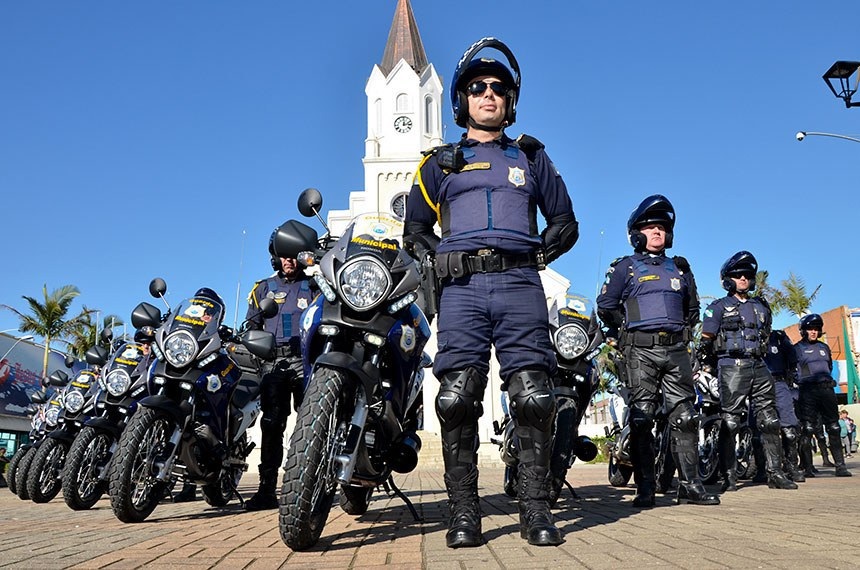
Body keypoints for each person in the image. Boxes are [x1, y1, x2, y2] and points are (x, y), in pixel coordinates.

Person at [403, 38, 578, 548]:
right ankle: (463, 514)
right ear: (462, 100)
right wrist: (439, 259)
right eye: (477, 87)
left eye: (498, 88)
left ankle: (536, 510)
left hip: (520, 286)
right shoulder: (438, 164)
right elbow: (415, 230)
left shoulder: (531, 157)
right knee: (456, 399)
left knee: (534, 397)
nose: (488, 94)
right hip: (462, 291)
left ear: (510, 100)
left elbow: (565, 222)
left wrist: (536, 255)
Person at [597, 194, 719, 508]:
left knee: (685, 418)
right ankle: (646, 489)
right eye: (650, 227)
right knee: (641, 418)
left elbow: (693, 309)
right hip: (640, 352)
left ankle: (690, 486)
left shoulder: (680, 268)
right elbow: (606, 306)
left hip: (676, 351)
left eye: (662, 228)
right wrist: (623, 334)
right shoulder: (625, 267)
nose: (656, 232)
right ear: (636, 233)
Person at [698, 252, 796, 492]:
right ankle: (728, 476)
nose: (743, 278)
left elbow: (766, 334)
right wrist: (707, 367)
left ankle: (775, 473)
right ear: (727, 279)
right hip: (731, 366)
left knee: (770, 420)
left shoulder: (761, 306)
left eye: (747, 275)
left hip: (760, 365)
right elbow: (706, 341)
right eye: (738, 275)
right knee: (730, 422)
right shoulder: (717, 307)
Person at [242, 234, 314, 510]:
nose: (289, 260)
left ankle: (311, 487)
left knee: (311, 423)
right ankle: (266, 490)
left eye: (293, 255)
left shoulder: (315, 287)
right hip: (274, 364)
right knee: (272, 425)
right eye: (284, 255)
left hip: (306, 362)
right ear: (276, 257)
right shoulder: (262, 289)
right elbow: (251, 327)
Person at [794, 314, 851, 477]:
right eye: (810, 329)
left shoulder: (824, 347)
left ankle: (840, 466)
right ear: (803, 331)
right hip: (808, 391)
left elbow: (829, 367)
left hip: (827, 391)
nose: (813, 332)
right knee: (807, 428)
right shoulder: (797, 348)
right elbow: (793, 371)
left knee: (834, 427)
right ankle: (808, 467)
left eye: (816, 329)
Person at [763, 329, 805, 482]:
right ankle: (761, 469)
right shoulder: (746, 335)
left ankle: (791, 466)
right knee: (759, 428)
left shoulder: (779, 338)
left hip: (779, 382)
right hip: (757, 384)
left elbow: (793, 359)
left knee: (789, 430)